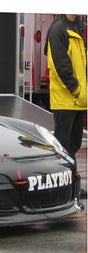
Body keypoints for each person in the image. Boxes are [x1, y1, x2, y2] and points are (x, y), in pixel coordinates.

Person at [45, 14, 87, 162]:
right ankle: (64, 182)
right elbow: (60, 66)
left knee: (74, 145)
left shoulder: (78, 27)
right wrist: (76, 90)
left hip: (79, 100)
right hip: (66, 99)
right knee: (62, 146)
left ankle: (72, 182)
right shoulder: (58, 29)